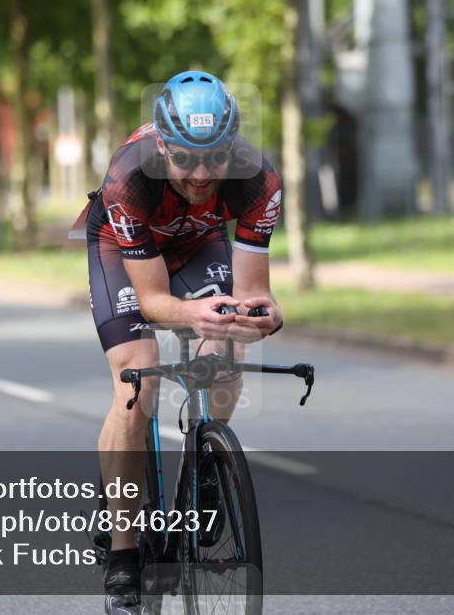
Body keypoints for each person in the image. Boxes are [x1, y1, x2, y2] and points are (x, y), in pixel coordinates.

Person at [81, 70, 284, 614]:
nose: (200, 174)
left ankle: (208, 465)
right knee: (136, 381)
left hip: (198, 240)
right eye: (185, 160)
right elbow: (152, 300)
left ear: (232, 147)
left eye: (214, 158)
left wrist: (260, 313)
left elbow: (253, 292)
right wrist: (190, 311)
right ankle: (123, 555)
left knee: (227, 341)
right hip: (122, 250)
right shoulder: (130, 177)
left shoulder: (258, 180)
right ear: (163, 147)